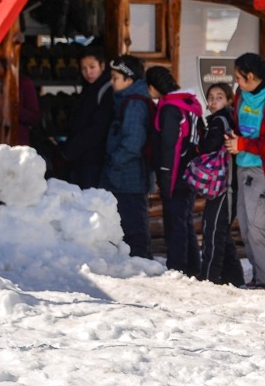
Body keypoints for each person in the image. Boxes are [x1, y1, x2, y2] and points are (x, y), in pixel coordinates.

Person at [225, 53, 265, 292]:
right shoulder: (241, 94)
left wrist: (243, 145)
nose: (236, 82)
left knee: (260, 226)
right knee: (246, 226)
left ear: (251, 76)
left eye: (239, 77)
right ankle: (260, 277)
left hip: (264, 169)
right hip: (242, 166)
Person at [146, 66, 204, 276]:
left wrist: (164, 175)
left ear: (153, 87)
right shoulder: (189, 103)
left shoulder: (170, 109)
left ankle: (177, 267)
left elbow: (169, 145)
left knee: (175, 221)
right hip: (191, 170)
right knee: (185, 220)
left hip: (175, 173)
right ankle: (192, 267)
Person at [101, 55, 153, 259]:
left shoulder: (134, 105)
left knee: (134, 225)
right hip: (126, 176)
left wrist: (114, 163)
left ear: (129, 80)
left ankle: (142, 262)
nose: (112, 82)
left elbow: (133, 142)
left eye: (115, 77)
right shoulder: (127, 100)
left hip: (129, 177)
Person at [196, 83, 244, 286]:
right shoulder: (225, 119)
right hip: (224, 185)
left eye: (219, 97)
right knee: (220, 233)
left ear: (229, 101)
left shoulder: (220, 120)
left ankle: (209, 277)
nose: (214, 101)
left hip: (224, 185)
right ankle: (233, 277)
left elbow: (209, 146)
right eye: (211, 97)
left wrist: (199, 132)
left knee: (213, 230)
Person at [62, 49, 113, 189]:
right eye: (84, 68)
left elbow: (98, 128)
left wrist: (72, 148)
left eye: (92, 67)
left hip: (94, 157)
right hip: (82, 155)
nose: (88, 72)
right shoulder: (90, 89)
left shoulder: (106, 90)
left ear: (102, 66)